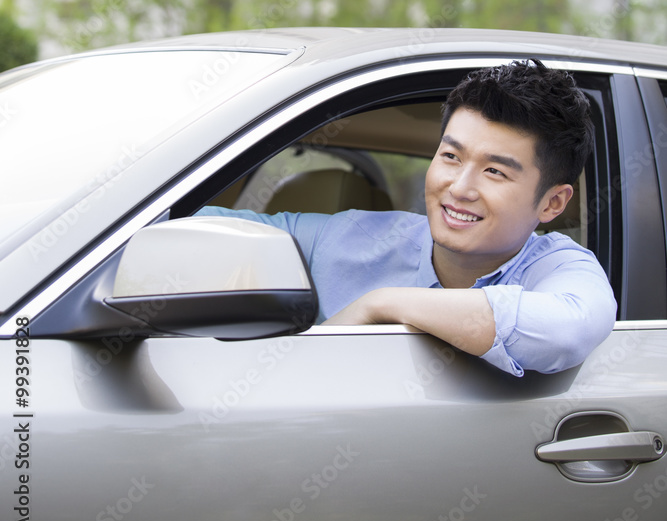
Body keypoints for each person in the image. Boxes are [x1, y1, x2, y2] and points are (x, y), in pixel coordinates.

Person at [198, 59, 617, 376]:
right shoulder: (351, 237)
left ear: (552, 204)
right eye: (451, 157)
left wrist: (380, 305)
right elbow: (187, 231)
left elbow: (568, 329)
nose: (460, 188)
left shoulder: (558, 265)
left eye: (495, 171)